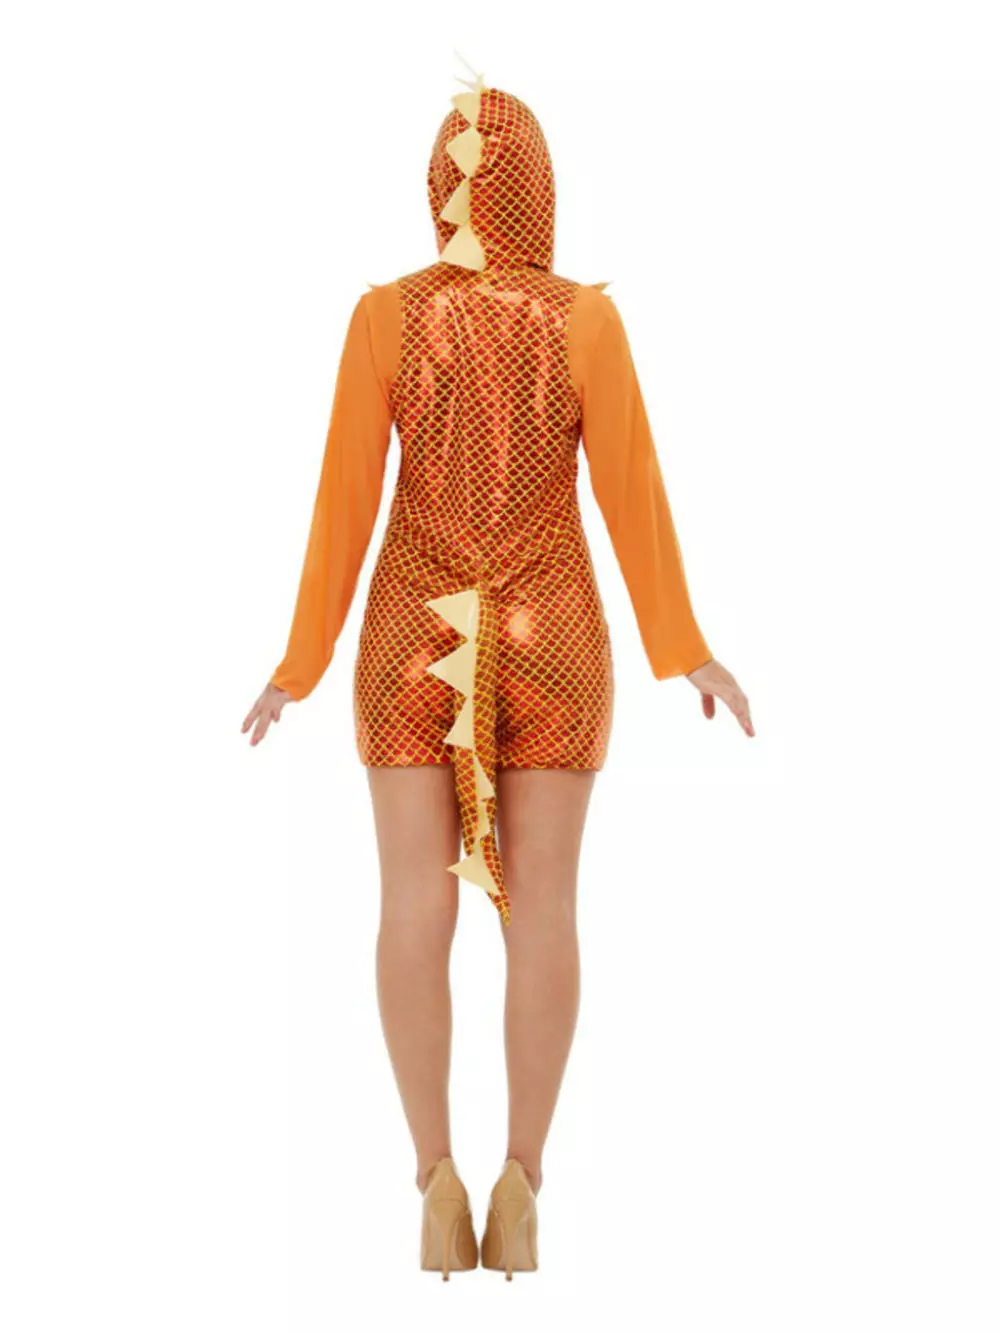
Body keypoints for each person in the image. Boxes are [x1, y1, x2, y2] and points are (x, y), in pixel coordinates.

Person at [241, 71, 752, 1279]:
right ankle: (522, 1178)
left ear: (439, 190)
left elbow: (342, 507)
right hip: (552, 632)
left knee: (411, 909)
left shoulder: (383, 319)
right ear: (543, 191)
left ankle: (434, 1180)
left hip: (408, 633)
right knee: (547, 912)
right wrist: (684, 645)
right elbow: (629, 493)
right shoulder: (584, 322)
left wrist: (298, 665)